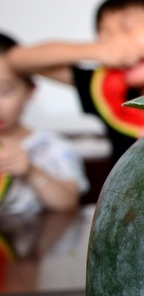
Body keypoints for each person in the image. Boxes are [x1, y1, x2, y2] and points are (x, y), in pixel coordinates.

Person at [6, 0, 144, 166]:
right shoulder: (104, 93)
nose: (116, 43)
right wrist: (95, 51)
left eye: (127, 27)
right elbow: (17, 59)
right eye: (105, 36)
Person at [0, 33, 88, 215]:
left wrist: (32, 171)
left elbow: (68, 204)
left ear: (30, 91)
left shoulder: (51, 146)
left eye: (4, 90)